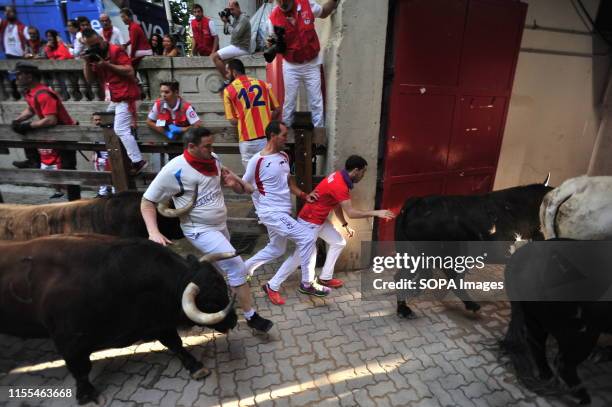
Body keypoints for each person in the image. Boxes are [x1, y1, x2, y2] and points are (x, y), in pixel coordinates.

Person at [141, 127, 274, 333]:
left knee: (223, 270)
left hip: (220, 226)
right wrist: (153, 232)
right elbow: (147, 201)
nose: (212, 150)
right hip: (199, 230)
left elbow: (237, 187)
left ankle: (217, 304)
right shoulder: (174, 169)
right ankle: (251, 316)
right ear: (191, 146)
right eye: (207, 146)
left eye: (212, 145)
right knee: (236, 266)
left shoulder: (212, 159)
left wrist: (233, 184)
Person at [257, 155, 395, 303]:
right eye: (363, 172)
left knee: (338, 242)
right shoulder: (340, 185)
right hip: (309, 221)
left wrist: (344, 225)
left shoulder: (339, 177)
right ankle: (272, 285)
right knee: (300, 256)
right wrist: (376, 213)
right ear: (355, 171)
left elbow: (336, 204)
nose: (363, 175)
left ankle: (325, 278)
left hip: (319, 220)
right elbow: (351, 212)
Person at [242, 120, 326, 305]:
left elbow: (288, 182)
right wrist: (257, 200)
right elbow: (245, 185)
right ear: (272, 136)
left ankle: (244, 269)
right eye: (283, 135)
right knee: (306, 238)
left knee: (277, 248)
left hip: (283, 212)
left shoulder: (284, 156)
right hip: (270, 212)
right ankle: (307, 282)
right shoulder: (257, 160)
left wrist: (304, 194)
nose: (286, 139)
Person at [81, 28, 147, 175]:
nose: (94, 47)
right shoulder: (94, 55)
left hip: (126, 95)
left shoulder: (115, 50)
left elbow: (130, 71)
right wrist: (86, 62)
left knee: (120, 129)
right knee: (102, 119)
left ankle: (138, 161)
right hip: (115, 97)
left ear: (100, 38)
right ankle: (116, 154)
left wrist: (107, 65)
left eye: (95, 44)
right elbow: (90, 80)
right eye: (90, 46)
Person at [10, 62, 80, 200]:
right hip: (55, 134)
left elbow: (51, 120)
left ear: (29, 77)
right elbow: (31, 109)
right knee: (26, 133)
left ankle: (74, 200)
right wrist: (18, 120)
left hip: (65, 134)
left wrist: (28, 126)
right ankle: (33, 160)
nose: (16, 78)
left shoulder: (43, 94)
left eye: (19, 75)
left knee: (67, 169)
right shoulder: (31, 93)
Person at [267, 0, 339, 128]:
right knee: (290, 101)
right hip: (291, 64)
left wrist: (333, 1)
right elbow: (271, 42)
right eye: (280, 2)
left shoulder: (306, 4)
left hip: (311, 62)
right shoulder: (273, 17)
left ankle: (319, 135)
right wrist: (272, 44)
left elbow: (323, 12)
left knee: (316, 101)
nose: (283, 4)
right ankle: (286, 135)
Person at [223, 59, 280, 168]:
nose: (226, 75)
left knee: (252, 177)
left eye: (228, 72)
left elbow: (232, 121)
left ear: (234, 72)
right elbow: (277, 109)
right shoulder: (262, 84)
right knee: (269, 173)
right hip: (266, 138)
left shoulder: (229, 90)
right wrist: (267, 119)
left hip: (247, 140)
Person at [210, 1, 251, 92]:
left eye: (232, 9)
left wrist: (227, 23)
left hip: (241, 47)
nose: (231, 12)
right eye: (230, 10)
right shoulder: (236, 18)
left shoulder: (243, 19)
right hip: (236, 46)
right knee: (223, 62)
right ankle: (232, 79)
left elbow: (235, 34)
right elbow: (227, 32)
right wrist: (226, 22)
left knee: (215, 56)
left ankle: (228, 81)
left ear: (238, 7)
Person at [146, 81, 201, 146]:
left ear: (176, 93)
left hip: (185, 142)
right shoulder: (158, 104)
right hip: (168, 141)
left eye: (167, 92)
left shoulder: (185, 106)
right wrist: (166, 133)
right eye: (161, 92)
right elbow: (149, 121)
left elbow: (197, 125)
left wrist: (181, 129)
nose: (163, 95)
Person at [91, 113, 114, 197]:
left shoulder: (109, 130)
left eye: (99, 119)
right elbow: (94, 144)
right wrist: (93, 154)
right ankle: (102, 192)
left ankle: (114, 191)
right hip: (99, 157)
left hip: (110, 156)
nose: (98, 122)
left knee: (113, 175)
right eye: (95, 120)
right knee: (100, 175)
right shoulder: (92, 131)